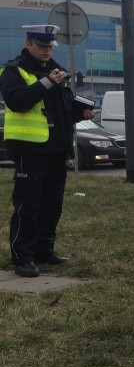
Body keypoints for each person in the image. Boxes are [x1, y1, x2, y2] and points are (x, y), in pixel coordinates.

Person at [0, 25, 94, 278]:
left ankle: (44, 249)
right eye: (42, 46)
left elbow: (63, 111)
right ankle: (23, 257)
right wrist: (47, 82)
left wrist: (79, 112)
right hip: (29, 150)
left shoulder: (56, 72)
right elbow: (17, 101)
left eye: (50, 46)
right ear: (29, 44)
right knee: (27, 205)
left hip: (56, 149)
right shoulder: (13, 70)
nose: (47, 50)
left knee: (52, 204)